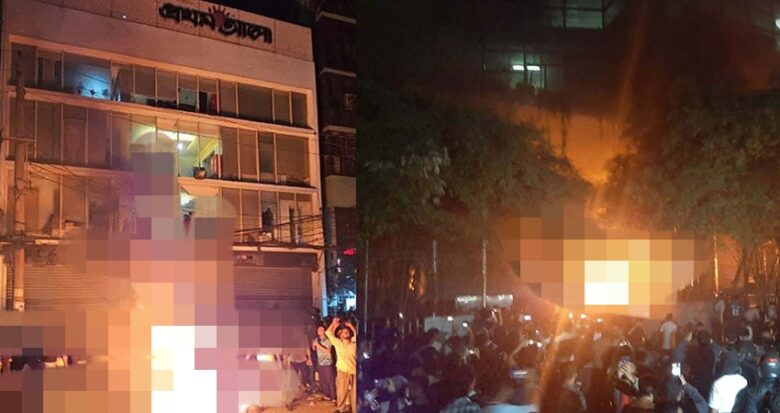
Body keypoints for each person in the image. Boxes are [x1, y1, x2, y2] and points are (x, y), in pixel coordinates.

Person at [326, 317, 357, 413]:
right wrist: (334, 323)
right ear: (340, 335)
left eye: (347, 332)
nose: (346, 333)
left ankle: (354, 409)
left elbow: (357, 335)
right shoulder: (338, 343)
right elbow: (328, 333)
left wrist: (350, 326)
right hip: (343, 370)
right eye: (343, 332)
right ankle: (341, 409)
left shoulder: (354, 343)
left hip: (354, 371)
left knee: (355, 393)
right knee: (341, 391)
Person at [312, 324, 336, 401]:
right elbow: (314, 348)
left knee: (330, 380)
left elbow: (328, 351)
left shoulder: (328, 340)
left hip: (327, 362)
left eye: (321, 329)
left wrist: (318, 345)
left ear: (324, 331)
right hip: (320, 362)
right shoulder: (317, 339)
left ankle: (333, 396)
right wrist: (314, 345)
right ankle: (327, 395)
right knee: (323, 380)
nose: (319, 331)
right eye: (318, 329)